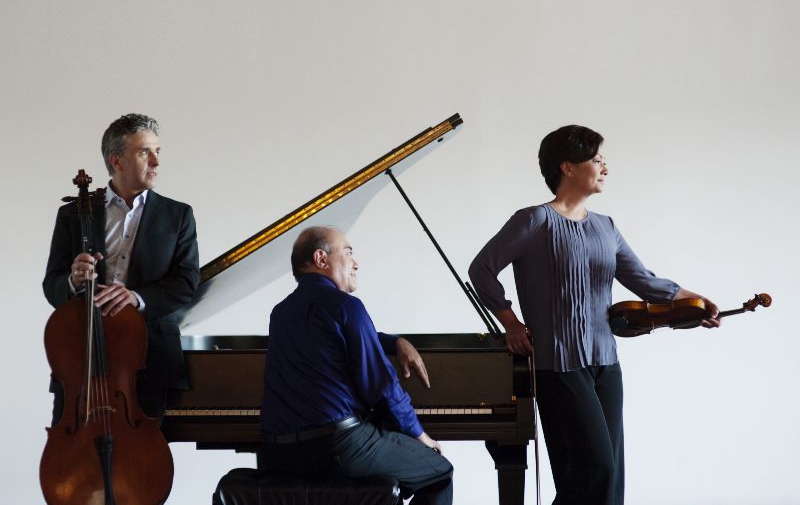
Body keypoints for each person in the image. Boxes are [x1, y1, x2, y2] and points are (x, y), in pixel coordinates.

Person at [468, 125, 719, 505]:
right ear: (567, 167)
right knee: (594, 470)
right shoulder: (533, 220)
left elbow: (644, 281)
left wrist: (693, 303)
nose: (605, 167)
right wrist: (511, 323)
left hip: (606, 362)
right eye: (597, 159)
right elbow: (481, 269)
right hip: (558, 366)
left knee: (607, 476)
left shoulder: (606, 227)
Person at [261, 226, 453, 505]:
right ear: (321, 259)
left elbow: (333, 336)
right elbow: (383, 386)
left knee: (391, 470)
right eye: (348, 252)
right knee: (438, 472)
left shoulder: (281, 313)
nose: (356, 262)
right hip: (338, 448)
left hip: (280, 454)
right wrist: (420, 436)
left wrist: (394, 341)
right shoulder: (347, 306)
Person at [43, 113, 200, 419]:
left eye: (158, 152)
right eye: (144, 152)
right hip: (83, 356)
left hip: (148, 356)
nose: (156, 162)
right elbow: (52, 286)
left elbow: (186, 283)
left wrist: (136, 297)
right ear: (117, 161)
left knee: (144, 458)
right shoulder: (73, 215)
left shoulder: (178, 215)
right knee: (74, 455)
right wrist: (74, 281)